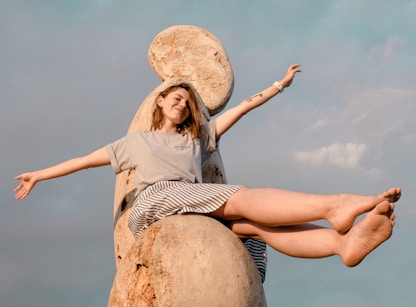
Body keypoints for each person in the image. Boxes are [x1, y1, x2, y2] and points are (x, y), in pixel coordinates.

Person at [14, 64, 401, 269]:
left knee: (255, 228)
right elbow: (81, 161)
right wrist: (38, 175)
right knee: (243, 197)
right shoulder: (135, 143)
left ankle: (341, 245)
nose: (183, 104)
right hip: (155, 204)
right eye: (177, 97)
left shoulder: (197, 139)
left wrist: (279, 86)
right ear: (161, 101)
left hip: (193, 205)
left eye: (187, 101)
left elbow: (244, 107)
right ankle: (335, 206)